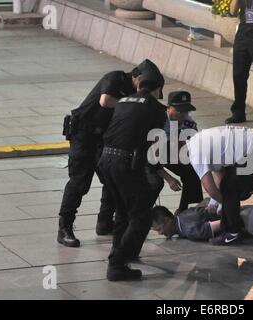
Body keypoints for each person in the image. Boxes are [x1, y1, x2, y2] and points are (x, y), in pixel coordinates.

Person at [57, 59, 163, 248]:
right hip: (83, 135)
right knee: (79, 182)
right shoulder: (115, 78)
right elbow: (105, 101)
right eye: (143, 84)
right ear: (136, 77)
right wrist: (132, 103)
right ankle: (64, 227)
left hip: (102, 138)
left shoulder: (135, 95)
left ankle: (104, 222)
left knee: (111, 178)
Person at [97, 64, 166, 281]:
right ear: (158, 89)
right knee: (141, 218)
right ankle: (117, 263)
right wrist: (156, 172)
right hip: (125, 164)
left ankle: (120, 255)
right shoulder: (156, 108)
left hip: (105, 160)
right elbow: (153, 144)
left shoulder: (124, 100)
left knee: (122, 212)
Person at [186, 125, 253, 245]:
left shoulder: (196, 156)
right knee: (228, 184)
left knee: (230, 189)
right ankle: (248, 184)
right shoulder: (195, 140)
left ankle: (232, 234)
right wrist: (214, 202)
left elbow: (211, 189)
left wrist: (225, 204)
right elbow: (219, 172)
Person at [147, 91, 203, 215]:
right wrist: (169, 179)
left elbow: (193, 148)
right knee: (155, 182)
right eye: (179, 110)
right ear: (168, 108)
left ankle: (184, 210)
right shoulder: (157, 121)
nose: (183, 114)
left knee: (192, 171)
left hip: (171, 153)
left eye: (186, 111)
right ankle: (142, 213)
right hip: (146, 156)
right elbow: (151, 157)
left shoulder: (188, 123)